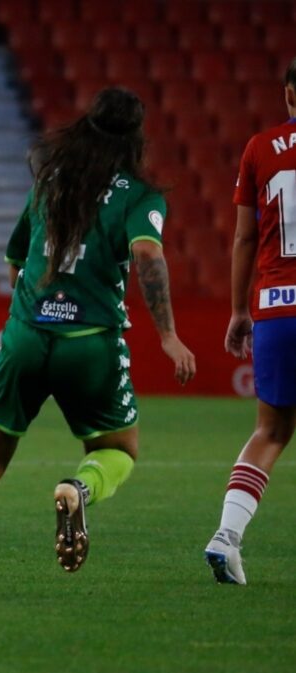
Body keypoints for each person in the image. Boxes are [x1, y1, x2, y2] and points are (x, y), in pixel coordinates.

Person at [0, 88, 196, 597]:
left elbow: (16, 261)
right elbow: (148, 255)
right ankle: (79, 488)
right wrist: (167, 335)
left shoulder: (52, 181)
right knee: (118, 448)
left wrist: (33, 319)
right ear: (135, 139)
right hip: (90, 343)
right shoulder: (139, 195)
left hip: (28, 335)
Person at [204, 58, 296, 586]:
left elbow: (242, 238)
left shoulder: (259, 148)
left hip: (276, 306)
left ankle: (226, 536)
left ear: (288, 95)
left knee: (271, 429)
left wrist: (240, 310)